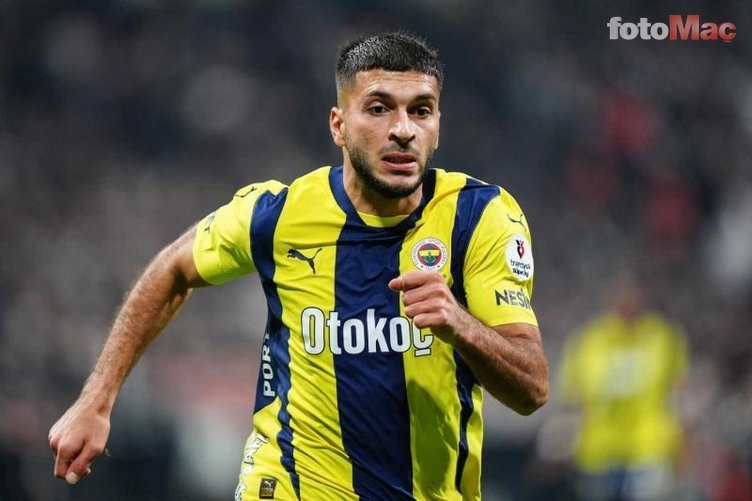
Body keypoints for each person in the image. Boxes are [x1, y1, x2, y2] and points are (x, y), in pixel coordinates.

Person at [48, 32, 549, 499]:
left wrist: (460, 324)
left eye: (421, 111)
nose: (402, 130)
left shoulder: (478, 219)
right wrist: (96, 401)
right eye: (378, 109)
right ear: (338, 125)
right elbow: (173, 268)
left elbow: (532, 389)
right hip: (289, 484)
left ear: (438, 125)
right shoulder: (281, 214)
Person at [559, 277, 689, 500]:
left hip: (648, 447)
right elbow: (572, 394)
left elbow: (680, 392)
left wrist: (680, 443)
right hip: (599, 449)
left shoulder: (663, 338)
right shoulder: (590, 340)